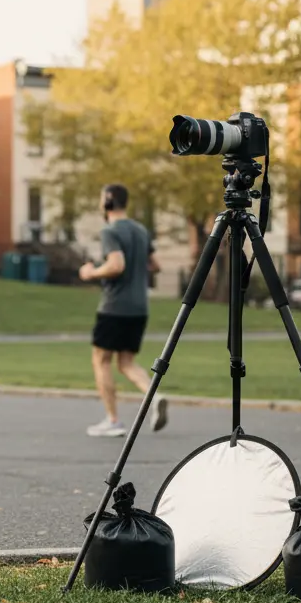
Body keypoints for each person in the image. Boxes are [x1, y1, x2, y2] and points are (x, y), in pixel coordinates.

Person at [79, 184, 169, 437]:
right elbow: (155, 265)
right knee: (126, 362)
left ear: (107, 202)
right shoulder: (141, 230)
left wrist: (91, 272)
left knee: (101, 359)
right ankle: (155, 396)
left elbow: (116, 265)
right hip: (139, 307)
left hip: (114, 306)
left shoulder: (110, 230)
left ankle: (113, 420)